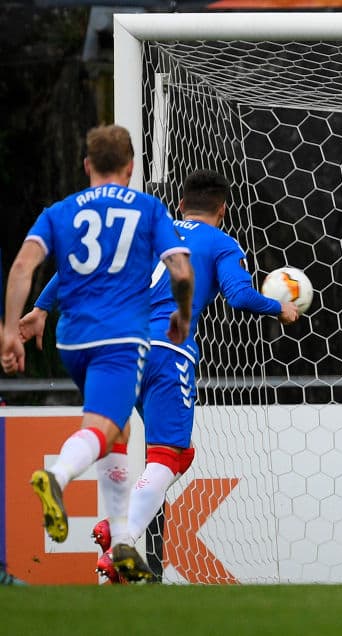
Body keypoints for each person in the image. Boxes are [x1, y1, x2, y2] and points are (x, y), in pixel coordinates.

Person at [21, 169, 301, 583]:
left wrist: (42, 308)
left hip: (125, 350)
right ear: (223, 209)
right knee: (171, 454)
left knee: (143, 443)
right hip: (170, 351)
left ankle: (110, 528)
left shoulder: (149, 229)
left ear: (182, 204)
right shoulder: (222, 243)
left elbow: (80, 269)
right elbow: (239, 295)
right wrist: (280, 308)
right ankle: (121, 540)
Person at [1, 124, 194, 583]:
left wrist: (13, 328)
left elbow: (24, 265)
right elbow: (181, 270)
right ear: (130, 167)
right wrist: (182, 315)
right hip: (119, 339)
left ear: (87, 165)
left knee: (119, 426)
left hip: (71, 340)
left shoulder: (60, 211)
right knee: (102, 427)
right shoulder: (148, 208)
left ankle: (124, 540)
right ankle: (59, 477)